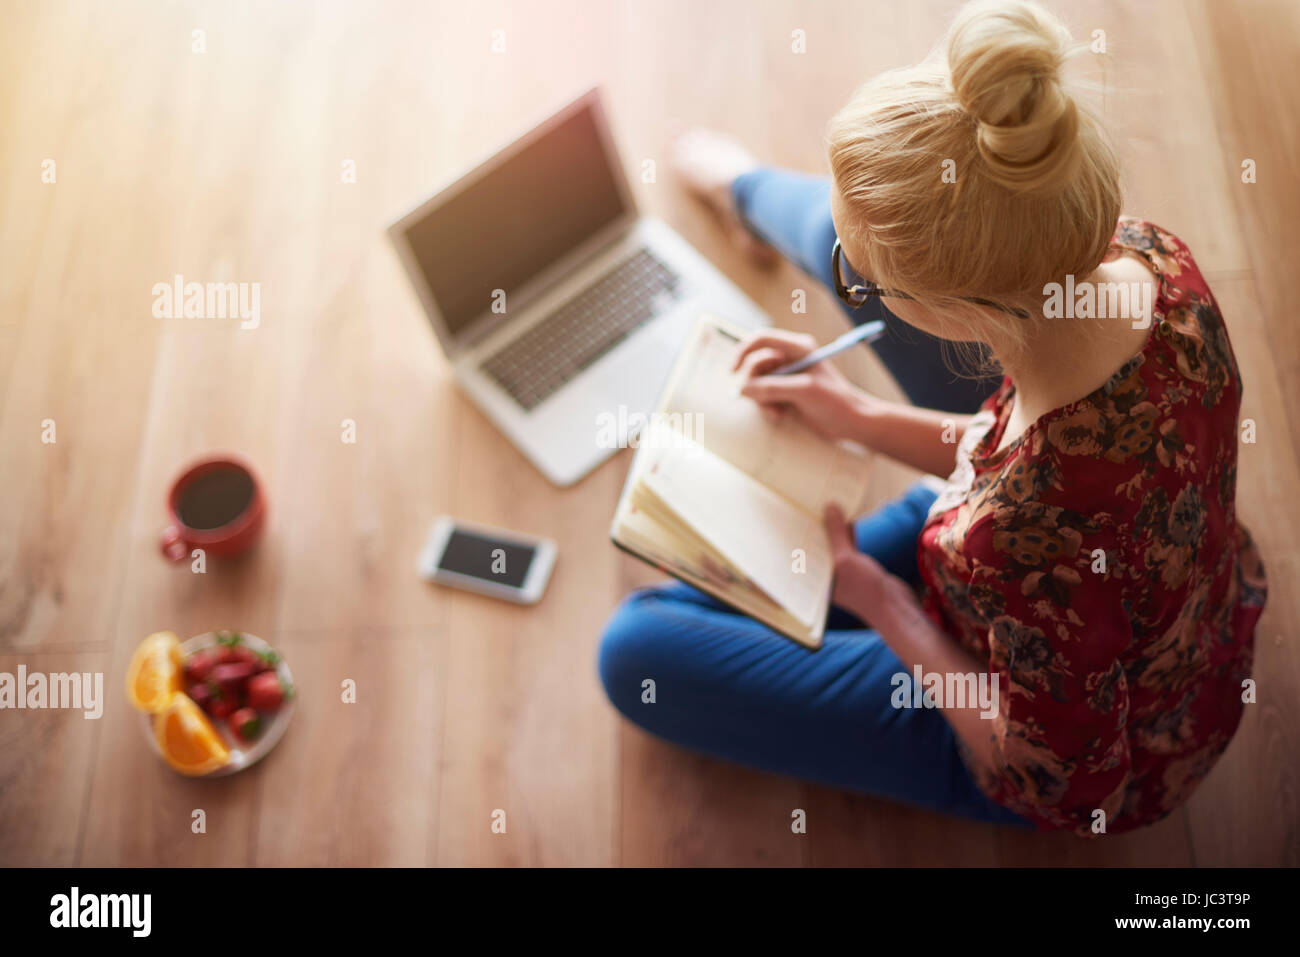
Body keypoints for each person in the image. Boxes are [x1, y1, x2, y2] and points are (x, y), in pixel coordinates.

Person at [597, 0, 1267, 835]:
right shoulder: (1151, 258)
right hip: (1088, 584)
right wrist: (855, 415)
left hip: (1066, 719)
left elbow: (1059, 783)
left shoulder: (1018, 535)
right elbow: (1020, 446)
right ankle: (741, 188)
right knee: (704, 616)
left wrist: (883, 604)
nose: (852, 282)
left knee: (636, 651)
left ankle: (740, 188)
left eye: (863, 277)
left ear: (959, 315)